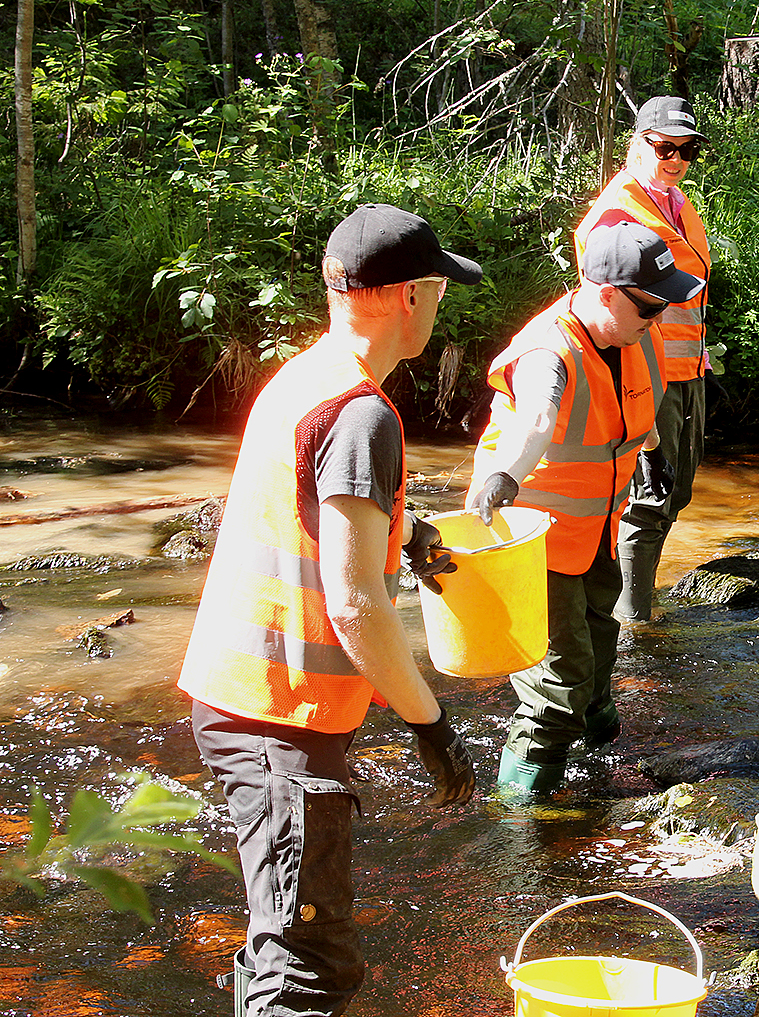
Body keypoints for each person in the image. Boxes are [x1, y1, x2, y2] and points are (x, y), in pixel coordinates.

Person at [178, 203, 480, 1017]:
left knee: (280, 933)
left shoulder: (311, 376)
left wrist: (408, 532)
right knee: (308, 966)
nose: (442, 302)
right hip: (279, 716)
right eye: (438, 287)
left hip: (238, 696)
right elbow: (354, 604)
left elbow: (317, 514)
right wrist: (431, 725)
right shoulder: (362, 414)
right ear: (408, 296)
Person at [466, 221, 705, 797]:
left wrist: (650, 453)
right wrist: (504, 474)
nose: (659, 317)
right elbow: (537, 423)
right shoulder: (548, 352)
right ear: (605, 293)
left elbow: (629, 405)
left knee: (601, 640)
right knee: (559, 679)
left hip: (595, 525)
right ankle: (521, 820)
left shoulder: (630, 332)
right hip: (531, 538)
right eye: (650, 306)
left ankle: (599, 756)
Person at [573, 95, 712, 621]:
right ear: (638, 144)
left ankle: (636, 608)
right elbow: (600, 306)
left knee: (675, 492)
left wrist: (701, 362)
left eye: (687, 149)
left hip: (687, 371)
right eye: (664, 147)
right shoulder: (616, 213)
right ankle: (632, 619)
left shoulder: (676, 201)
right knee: (648, 498)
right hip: (645, 373)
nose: (675, 159)